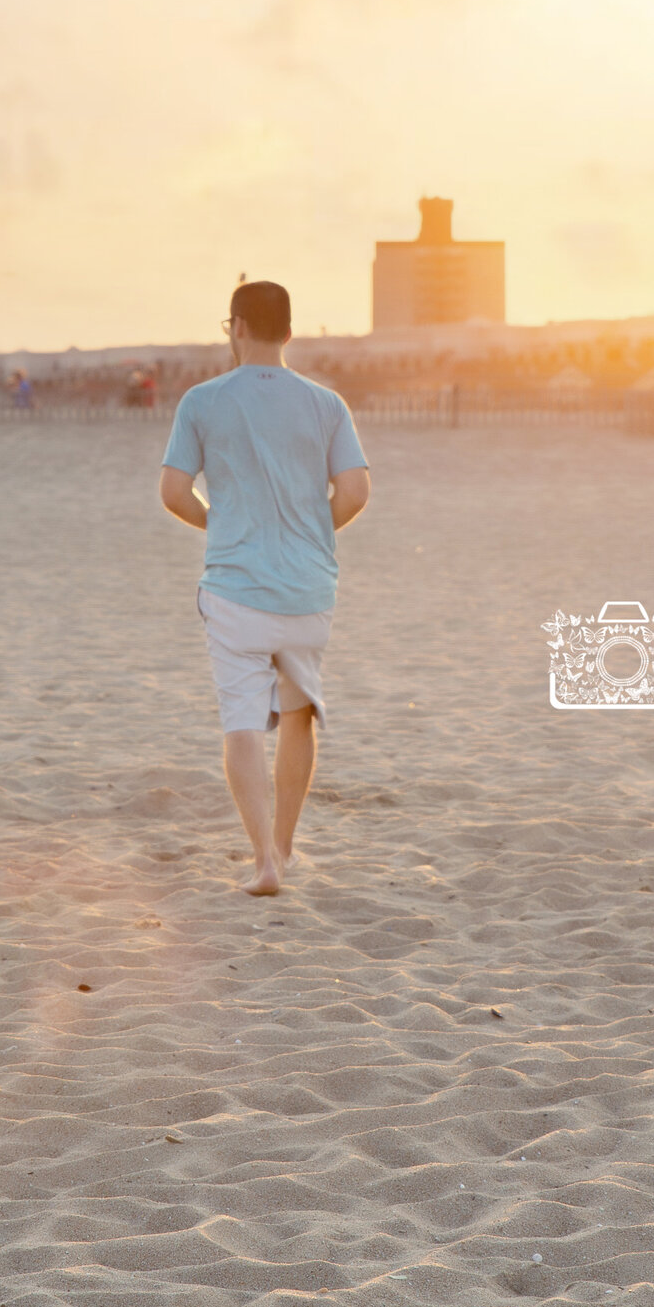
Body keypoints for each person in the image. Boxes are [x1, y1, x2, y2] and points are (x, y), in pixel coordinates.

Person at [159, 280, 370, 895]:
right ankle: (285, 844)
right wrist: (307, 530)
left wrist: (217, 523)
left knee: (242, 722)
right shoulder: (326, 403)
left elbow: (173, 493)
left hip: (235, 585)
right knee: (298, 716)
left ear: (235, 327)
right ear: (289, 332)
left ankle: (263, 861)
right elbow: (354, 493)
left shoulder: (202, 400)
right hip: (308, 588)